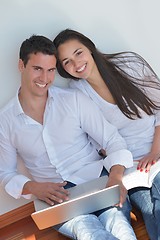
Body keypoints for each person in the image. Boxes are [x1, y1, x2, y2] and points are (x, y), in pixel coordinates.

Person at [0, 35, 137, 240]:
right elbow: (6, 172)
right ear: (22, 65)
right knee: (89, 233)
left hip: (98, 182)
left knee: (120, 228)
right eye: (37, 68)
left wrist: (116, 177)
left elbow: (112, 139)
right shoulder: (6, 120)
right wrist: (33, 187)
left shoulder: (73, 100)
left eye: (51, 70)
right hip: (57, 199)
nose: (44, 78)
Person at [53, 28, 160, 240]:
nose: (76, 64)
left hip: (156, 150)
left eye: (78, 53)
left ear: (90, 48)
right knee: (151, 212)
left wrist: (155, 151)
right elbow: (98, 142)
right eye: (66, 62)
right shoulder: (77, 93)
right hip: (131, 169)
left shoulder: (129, 64)